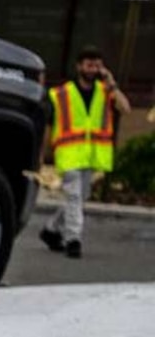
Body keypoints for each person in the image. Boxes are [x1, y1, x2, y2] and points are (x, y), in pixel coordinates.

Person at [41, 46, 132, 259]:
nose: (93, 69)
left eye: (97, 65)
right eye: (89, 65)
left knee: (79, 199)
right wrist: (41, 155)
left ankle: (50, 230)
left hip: (91, 155)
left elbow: (125, 109)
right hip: (69, 154)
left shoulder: (105, 91)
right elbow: (47, 125)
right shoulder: (61, 94)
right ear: (79, 66)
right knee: (74, 197)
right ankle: (73, 240)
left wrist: (113, 85)